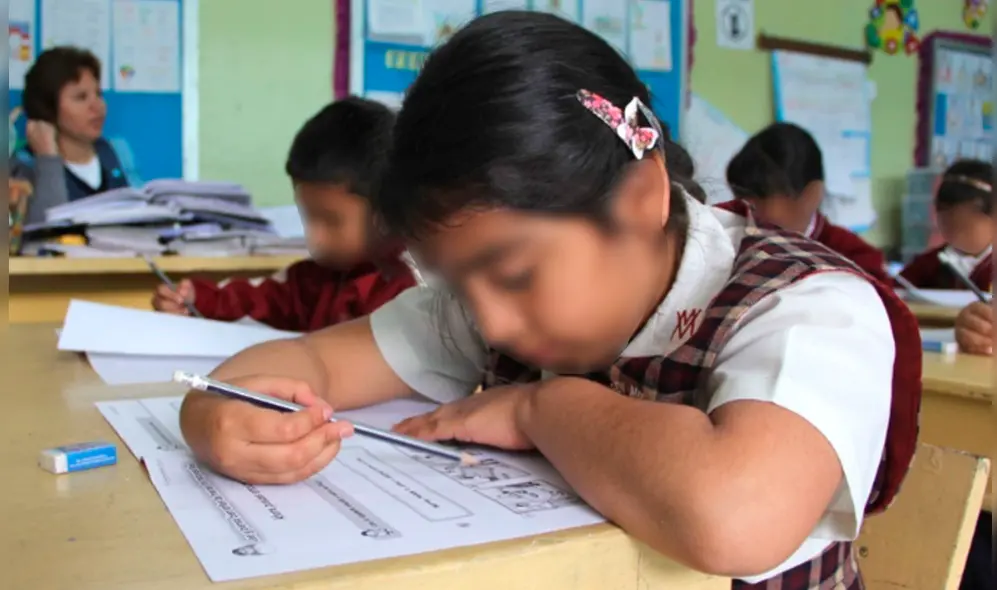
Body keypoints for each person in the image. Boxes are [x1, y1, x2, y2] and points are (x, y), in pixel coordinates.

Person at [178, 12, 921, 589]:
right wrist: (220, 409)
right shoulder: (490, 292)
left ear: (639, 199)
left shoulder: (809, 307)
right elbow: (313, 360)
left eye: (516, 275)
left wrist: (542, 407)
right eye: (458, 282)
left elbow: (737, 517)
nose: (491, 319)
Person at [152, 98, 418, 332]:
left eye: (330, 221)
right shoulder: (314, 278)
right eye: (307, 217)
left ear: (386, 210)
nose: (315, 239)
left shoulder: (409, 291)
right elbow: (260, 299)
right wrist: (199, 298)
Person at [724, 122, 893, 285]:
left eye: (759, 200)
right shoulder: (732, 245)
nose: (746, 211)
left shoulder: (855, 259)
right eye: (741, 197)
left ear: (811, 195)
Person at [13, 46, 129, 224]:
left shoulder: (114, 151)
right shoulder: (24, 165)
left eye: (98, 94)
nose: (97, 106)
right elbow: (44, 233)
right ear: (48, 108)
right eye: (81, 97)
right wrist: (47, 159)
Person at [898, 159, 993, 292]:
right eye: (949, 224)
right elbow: (894, 293)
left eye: (965, 225)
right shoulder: (930, 264)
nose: (957, 235)